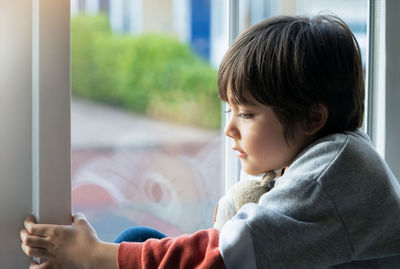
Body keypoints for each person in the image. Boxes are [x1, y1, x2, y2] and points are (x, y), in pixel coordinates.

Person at [20, 14, 400, 268]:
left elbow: (225, 254)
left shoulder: (332, 173)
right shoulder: (326, 155)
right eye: (228, 112)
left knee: (130, 245)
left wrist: (97, 256)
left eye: (247, 114)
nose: (229, 130)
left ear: (313, 117)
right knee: (138, 238)